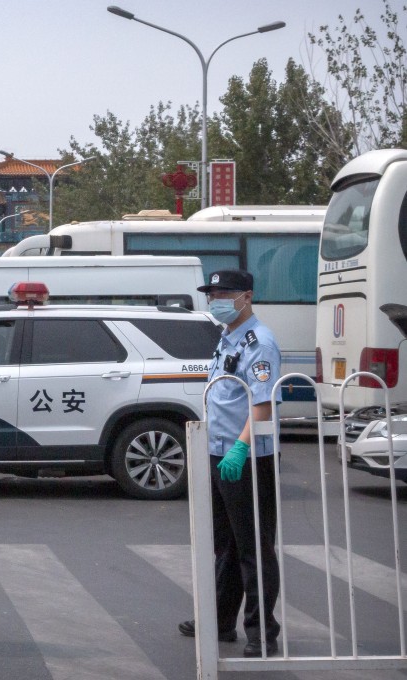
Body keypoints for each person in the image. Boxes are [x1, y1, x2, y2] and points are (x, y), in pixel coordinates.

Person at [178, 269, 282, 657]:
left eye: (224, 293)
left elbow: (261, 405)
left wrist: (239, 450)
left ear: (247, 296)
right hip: (219, 450)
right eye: (212, 293)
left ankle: (261, 633)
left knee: (253, 547)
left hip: (248, 456)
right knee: (225, 544)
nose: (215, 299)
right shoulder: (228, 337)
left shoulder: (260, 342)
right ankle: (220, 622)